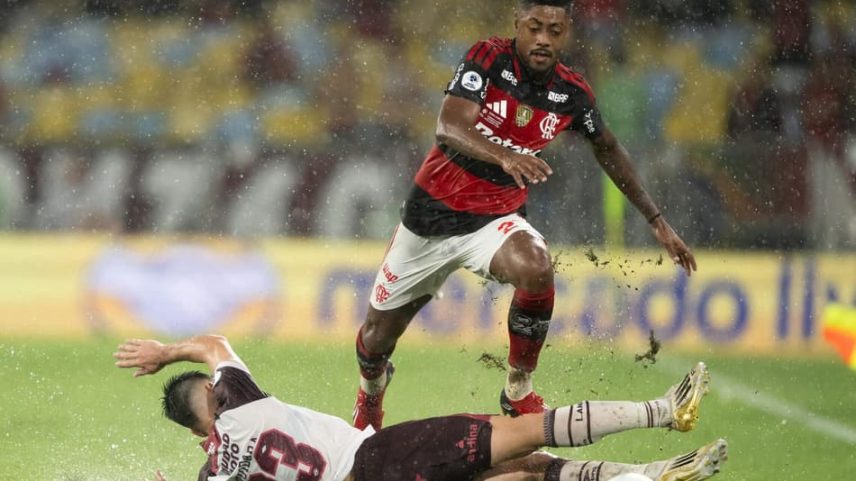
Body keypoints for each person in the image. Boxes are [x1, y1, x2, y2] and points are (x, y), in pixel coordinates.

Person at [354, 0, 698, 430]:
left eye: (554, 31)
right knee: (375, 340)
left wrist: (658, 222)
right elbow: (450, 126)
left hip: (493, 222)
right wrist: (506, 155)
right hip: (430, 222)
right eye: (534, 27)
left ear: (567, 31)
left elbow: (607, 148)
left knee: (537, 267)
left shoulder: (572, 93)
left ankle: (517, 390)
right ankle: (371, 393)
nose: (543, 39)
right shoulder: (487, 59)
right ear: (517, 23)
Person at [114, 335, 727, 481]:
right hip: (379, 458)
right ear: (210, 404)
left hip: (371, 469)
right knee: (520, 436)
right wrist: (166, 352)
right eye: (212, 396)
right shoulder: (238, 402)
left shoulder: (216, 470)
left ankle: (650, 475)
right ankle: (662, 411)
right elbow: (215, 344)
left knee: (525, 474)